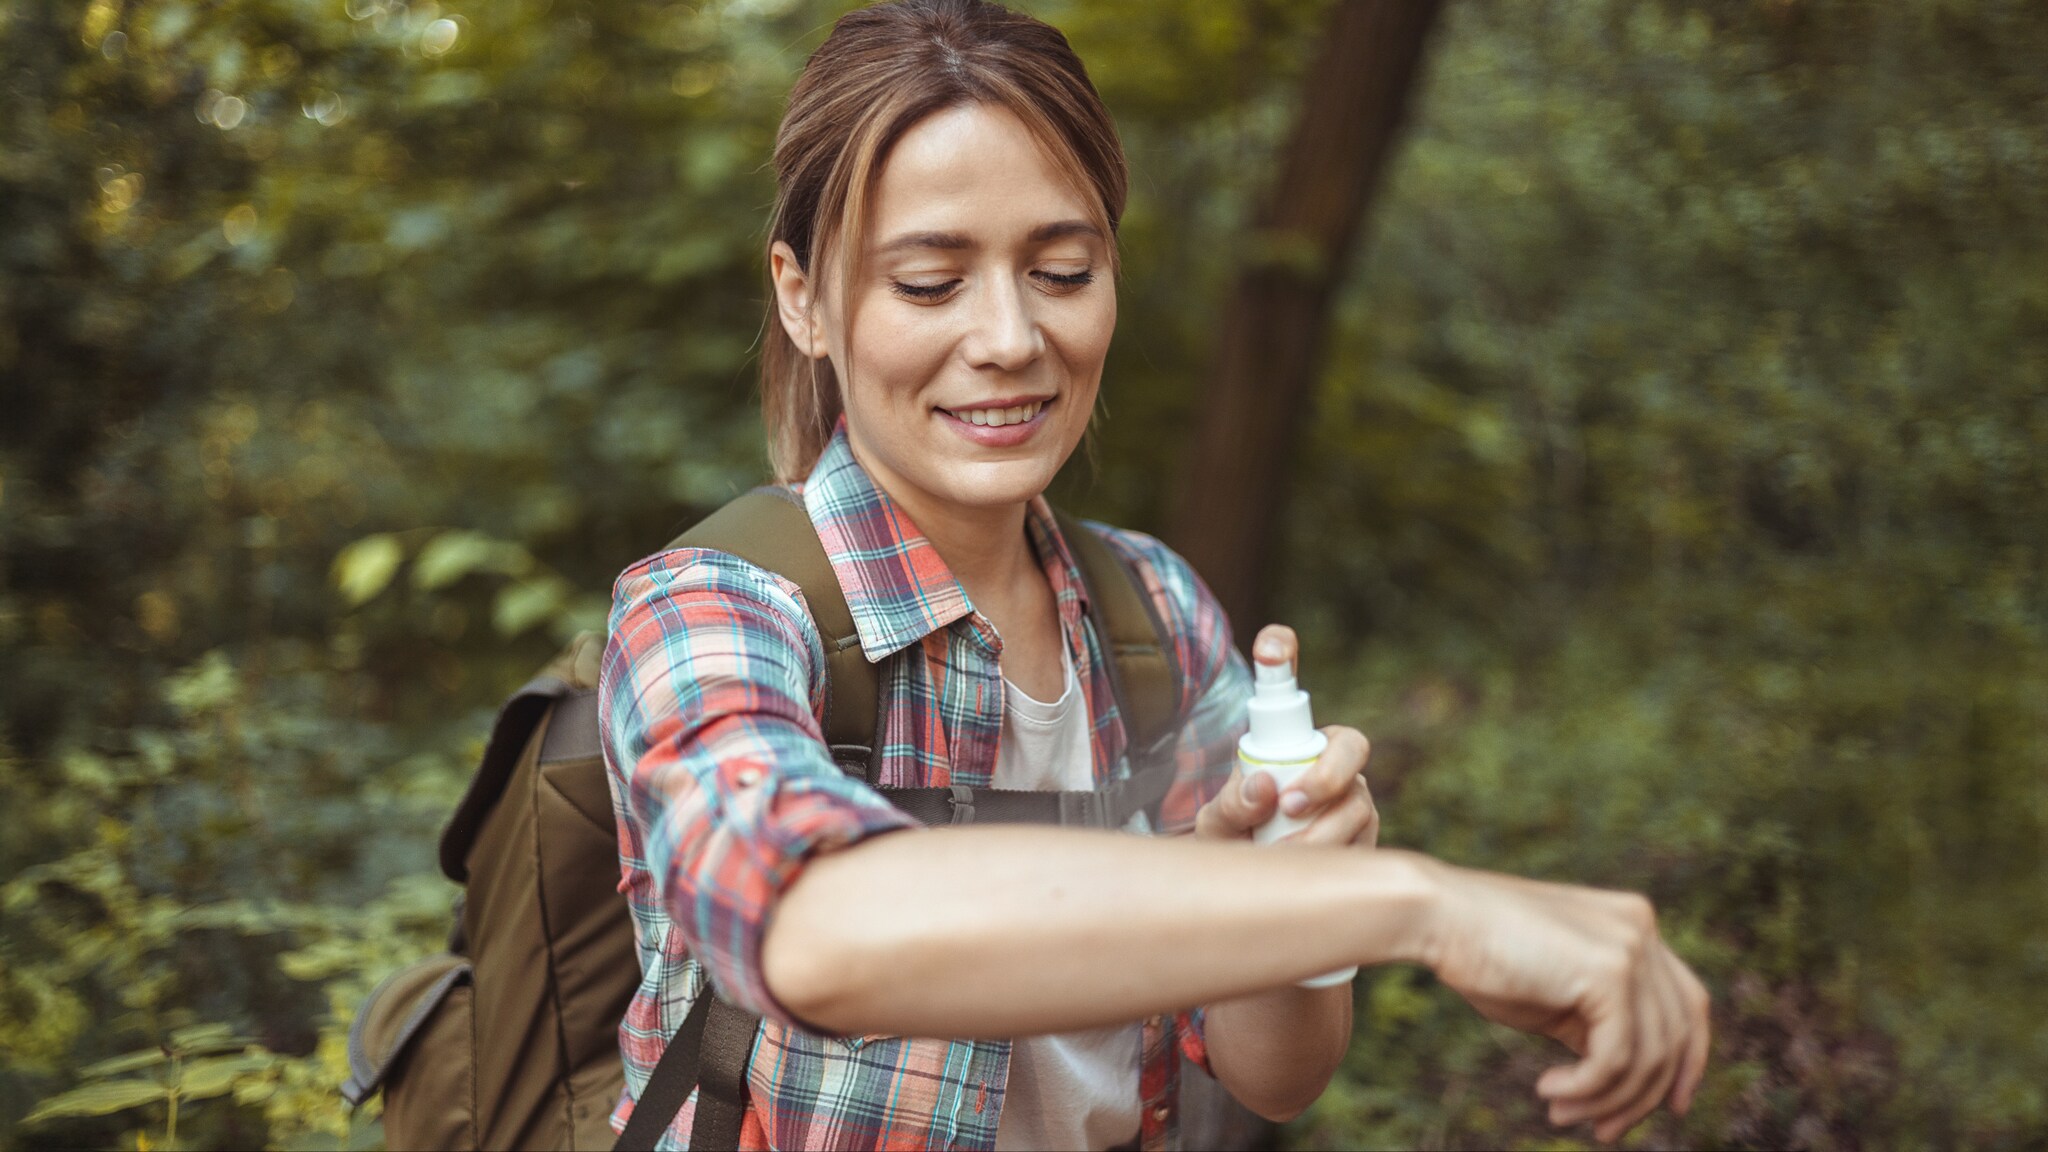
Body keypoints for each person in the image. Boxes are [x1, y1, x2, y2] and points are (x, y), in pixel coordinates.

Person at [597, 1, 1711, 1148]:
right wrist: (1413, 906)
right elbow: (808, 926)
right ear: (801, 297)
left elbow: (1276, 1077)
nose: (1010, 339)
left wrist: (1278, 892)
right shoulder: (710, 609)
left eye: (1061, 270)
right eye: (929, 282)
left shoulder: (1156, 613)